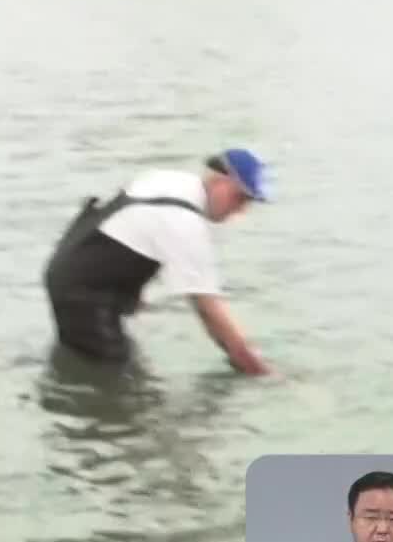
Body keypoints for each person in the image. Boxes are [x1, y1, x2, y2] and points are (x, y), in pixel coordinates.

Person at [42, 149, 271, 375]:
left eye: (248, 203)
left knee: (100, 358)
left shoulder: (171, 181)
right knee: (125, 385)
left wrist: (132, 291)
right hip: (83, 294)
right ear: (218, 180)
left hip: (68, 264)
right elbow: (209, 313)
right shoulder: (185, 222)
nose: (240, 210)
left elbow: (129, 223)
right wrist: (256, 369)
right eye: (239, 197)